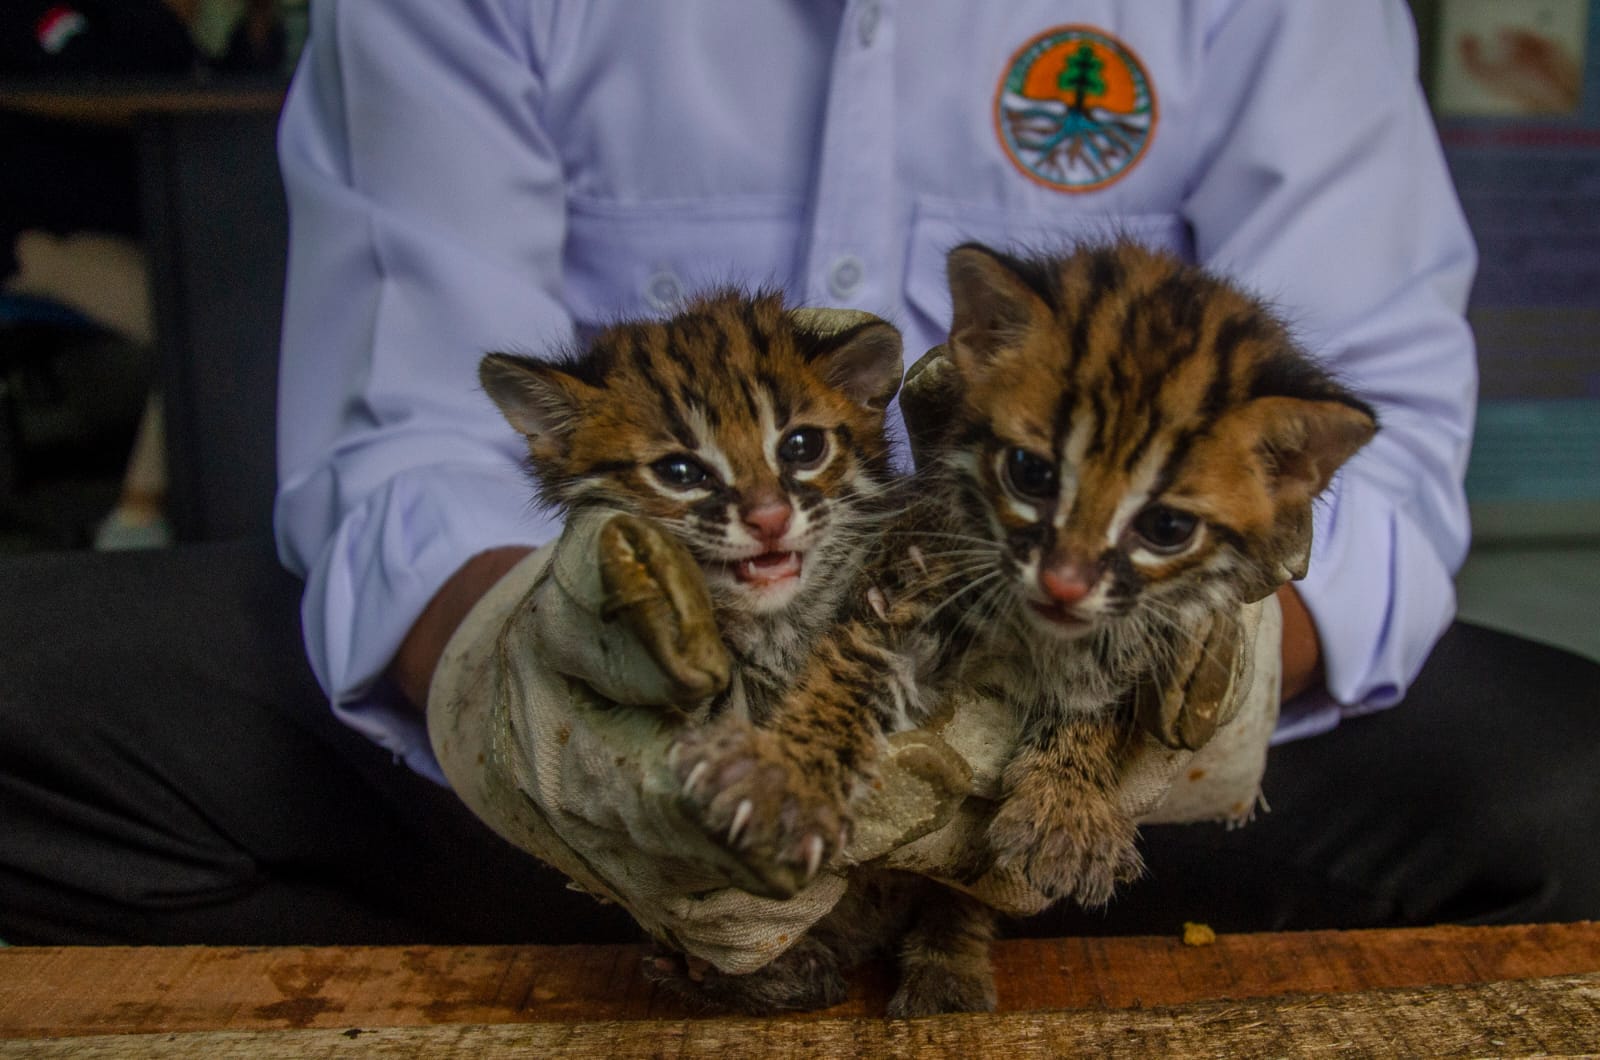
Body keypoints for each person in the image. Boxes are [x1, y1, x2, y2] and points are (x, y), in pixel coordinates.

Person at [2, 0, 1596, 947]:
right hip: (628, 700)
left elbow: (1373, 451)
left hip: (1085, 739)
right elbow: (414, 427)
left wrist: (1125, 705)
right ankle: (567, 979)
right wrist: (545, 700)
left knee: (1564, 802)